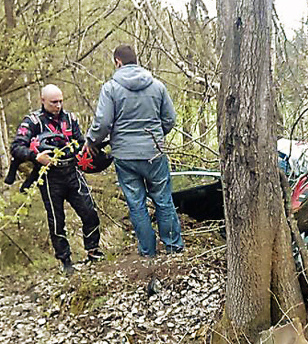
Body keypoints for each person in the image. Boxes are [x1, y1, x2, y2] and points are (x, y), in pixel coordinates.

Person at [85, 44, 184, 257]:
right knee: (163, 200)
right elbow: (170, 119)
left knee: (136, 204)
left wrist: (91, 141)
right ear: (136, 60)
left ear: (117, 62)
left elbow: (103, 123)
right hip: (153, 153)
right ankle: (173, 249)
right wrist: (156, 137)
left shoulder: (110, 88)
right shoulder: (157, 86)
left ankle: (148, 253)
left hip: (125, 156)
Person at [11, 84, 104, 274]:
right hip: (48, 176)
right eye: (54, 102)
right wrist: (35, 156)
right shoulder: (32, 121)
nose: (58, 105)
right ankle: (65, 261)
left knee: (89, 212)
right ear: (42, 100)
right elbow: (16, 147)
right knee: (56, 220)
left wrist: (91, 155)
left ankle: (93, 251)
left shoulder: (70, 118)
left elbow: (79, 142)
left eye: (61, 101)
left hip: (72, 172)